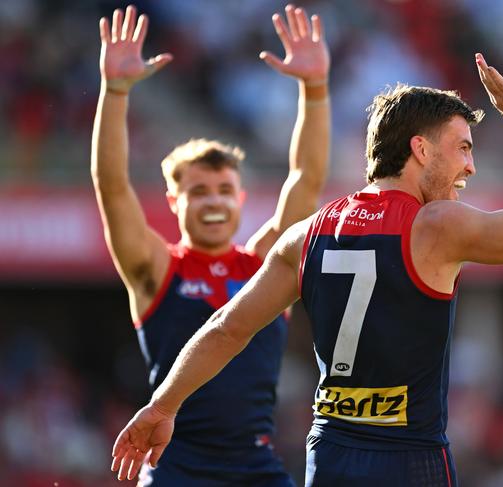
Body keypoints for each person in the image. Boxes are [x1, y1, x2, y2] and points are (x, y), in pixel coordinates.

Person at [110, 53, 503, 486]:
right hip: (407, 456)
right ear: (421, 149)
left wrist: (162, 406)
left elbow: (227, 328)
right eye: (462, 148)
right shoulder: (435, 225)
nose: (470, 166)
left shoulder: (308, 232)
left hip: (330, 454)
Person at [92, 4, 330, 486]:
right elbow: (112, 184)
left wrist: (315, 89)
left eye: (224, 190)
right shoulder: (157, 268)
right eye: (199, 191)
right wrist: (115, 92)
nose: (214, 201)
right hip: (174, 467)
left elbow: (305, 180)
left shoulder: (266, 264)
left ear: (241, 199)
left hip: (256, 468)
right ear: (174, 201)